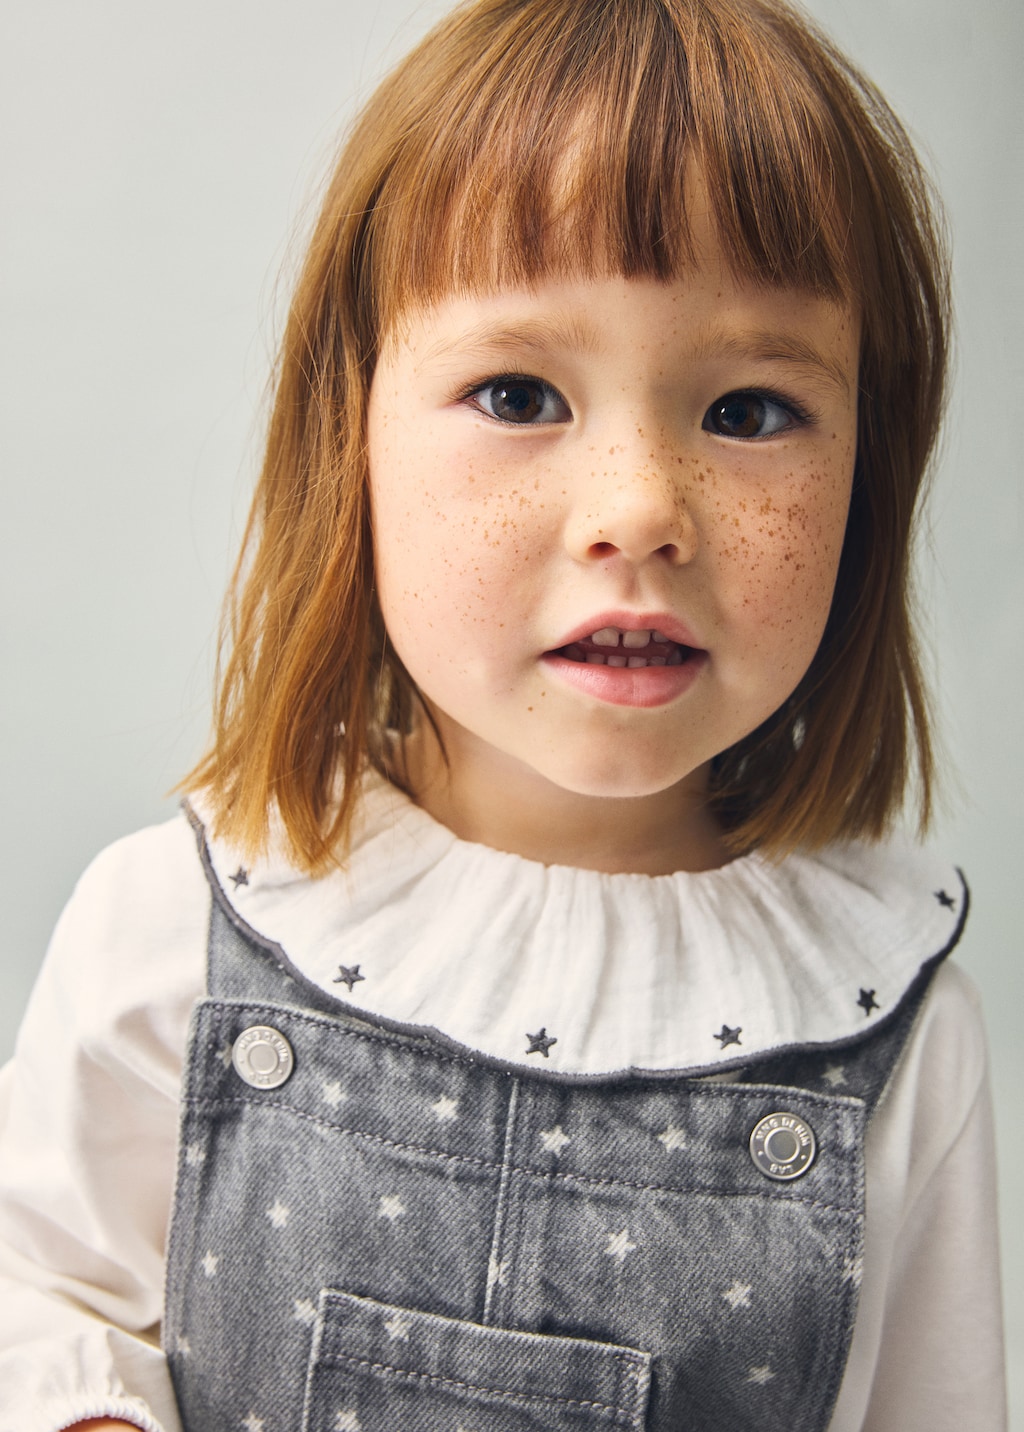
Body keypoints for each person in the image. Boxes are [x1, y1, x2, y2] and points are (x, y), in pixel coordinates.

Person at [0, 0, 1006, 1427]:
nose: (642, 511)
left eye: (750, 410)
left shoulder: (894, 1033)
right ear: (349, 444)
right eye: (520, 391)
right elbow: (36, 1297)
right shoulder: (180, 924)